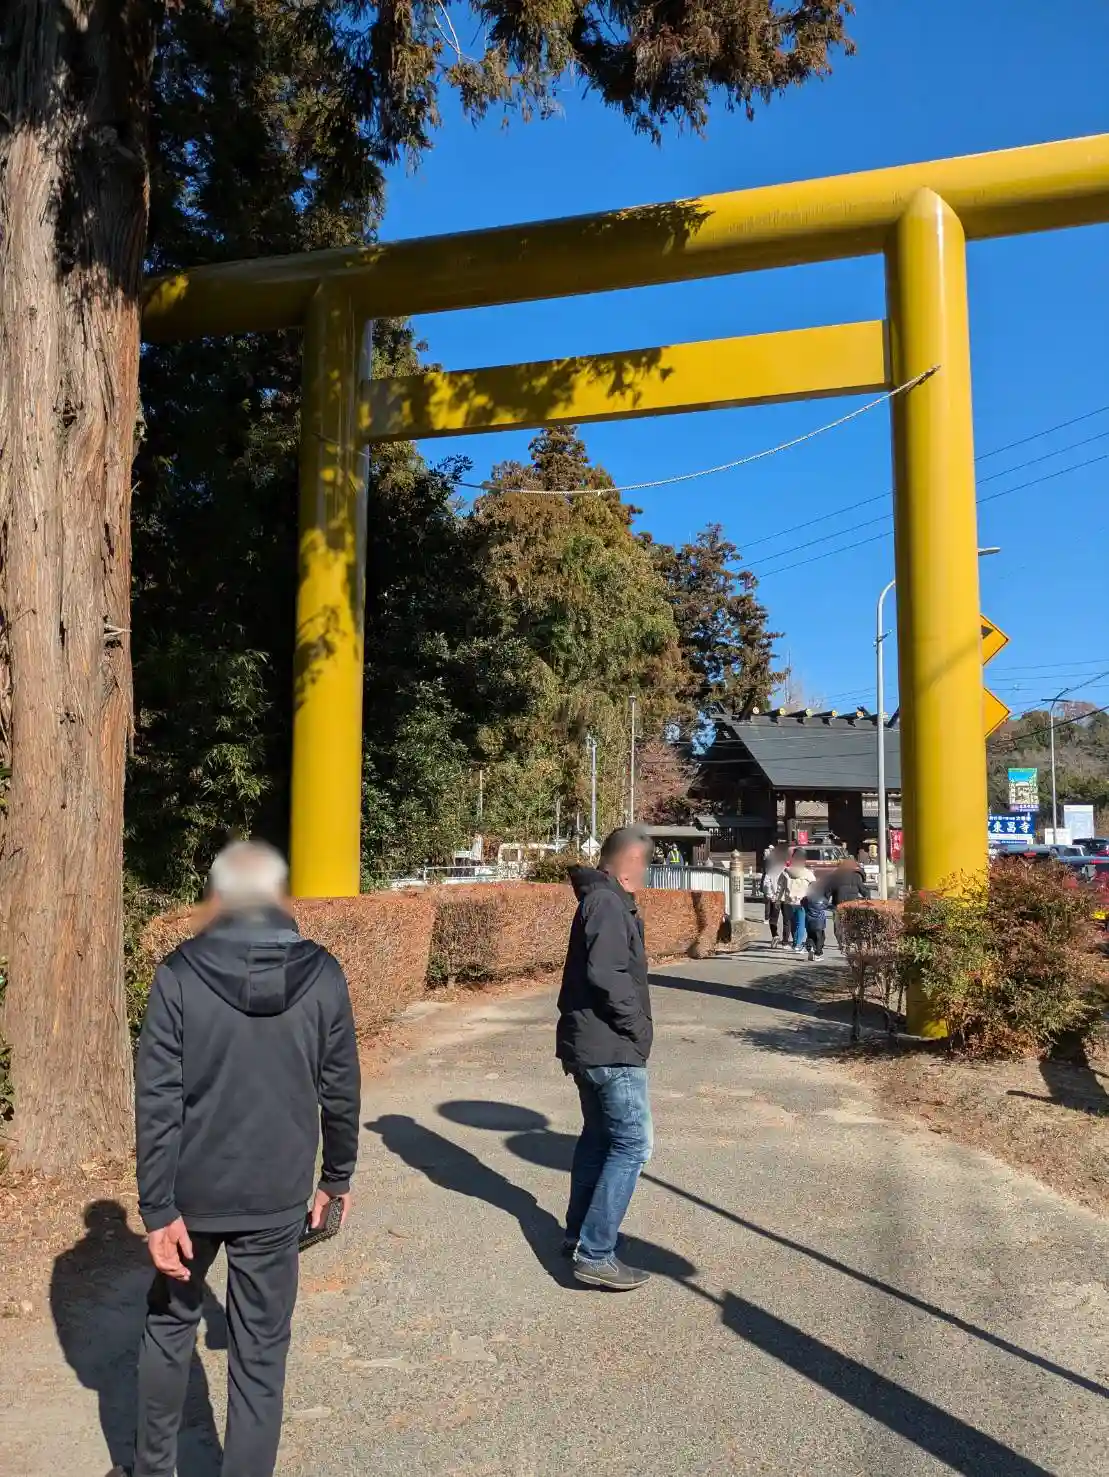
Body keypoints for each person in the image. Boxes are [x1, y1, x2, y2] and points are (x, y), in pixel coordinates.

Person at [113, 841, 360, 1477]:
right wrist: (336, 1176)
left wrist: (157, 1205)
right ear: (279, 897)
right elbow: (340, 1087)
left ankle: (152, 1469)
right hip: (277, 1191)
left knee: (171, 1324)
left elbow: (158, 1101)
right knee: (261, 1350)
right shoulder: (323, 975)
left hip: (191, 1192)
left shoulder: (178, 974)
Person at [557, 825, 654, 1291]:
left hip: (593, 1044)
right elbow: (608, 975)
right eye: (646, 866)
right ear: (629, 867)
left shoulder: (600, 900)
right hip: (610, 1046)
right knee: (632, 1145)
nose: (648, 875)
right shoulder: (608, 903)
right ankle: (595, 1253)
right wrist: (638, 1028)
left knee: (598, 1139)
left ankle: (579, 1235)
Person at [776, 853, 816, 954]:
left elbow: (780, 887)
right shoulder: (808, 873)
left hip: (788, 901)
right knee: (800, 924)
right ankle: (798, 945)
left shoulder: (785, 872)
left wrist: (777, 900)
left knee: (793, 923)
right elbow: (814, 887)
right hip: (802, 901)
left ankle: (795, 943)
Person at [826, 860, 869, 949]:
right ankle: (850, 941)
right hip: (852, 905)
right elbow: (864, 890)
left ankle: (841, 943)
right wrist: (867, 899)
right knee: (852, 924)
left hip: (838, 905)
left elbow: (828, 891)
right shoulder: (856, 877)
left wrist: (825, 901)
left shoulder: (835, 877)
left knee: (838, 925)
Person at [761, 844, 787, 948]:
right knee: (787, 920)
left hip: (775, 898)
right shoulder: (786, 870)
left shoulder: (771, 871)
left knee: (773, 919)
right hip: (785, 898)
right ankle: (785, 941)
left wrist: (770, 895)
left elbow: (766, 884)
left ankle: (775, 935)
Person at [801, 882, 828, 960]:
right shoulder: (822, 898)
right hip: (819, 922)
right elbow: (826, 905)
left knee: (810, 936)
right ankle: (817, 954)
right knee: (820, 938)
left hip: (809, 921)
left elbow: (802, 903)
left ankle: (810, 948)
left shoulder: (806, 899)